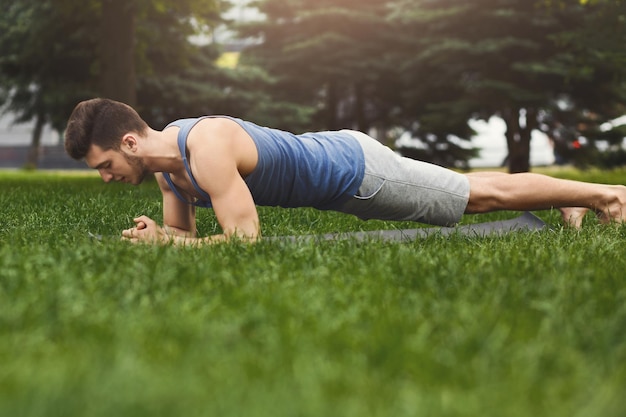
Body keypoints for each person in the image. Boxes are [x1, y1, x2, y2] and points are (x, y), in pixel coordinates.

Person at [64, 98, 626, 245]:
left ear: (131, 142)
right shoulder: (169, 173)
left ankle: (605, 194)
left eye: (107, 164)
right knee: (475, 191)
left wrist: (172, 246)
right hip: (337, 158)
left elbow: (243, 242)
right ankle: (569, 199)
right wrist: (160, 235)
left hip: (354, 172)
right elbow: (185, 237)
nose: (106, 176)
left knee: (476, 196)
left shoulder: (204, 145)